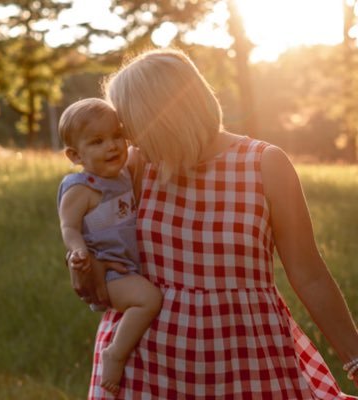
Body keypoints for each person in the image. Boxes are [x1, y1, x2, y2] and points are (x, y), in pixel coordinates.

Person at [68, 49, 358, 399]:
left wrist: (355, 360)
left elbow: (309, 274)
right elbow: (85, 218)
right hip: (145, 366)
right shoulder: (138, 166)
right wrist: (86, 266)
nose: (128, 140)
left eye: (131, 127)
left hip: (245, 361)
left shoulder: (264, 164)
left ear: (163, 118)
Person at [57, 98, 162, 396]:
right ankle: (115, 352)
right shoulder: (82, 188)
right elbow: (69, 227)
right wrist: (78, 253)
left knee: (146, 297)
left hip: (126, 265)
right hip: (107, 269)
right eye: (98, 141)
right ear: (76, 155)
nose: (113, 146)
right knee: (148, 300)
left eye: (117, 136)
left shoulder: (122, 173)